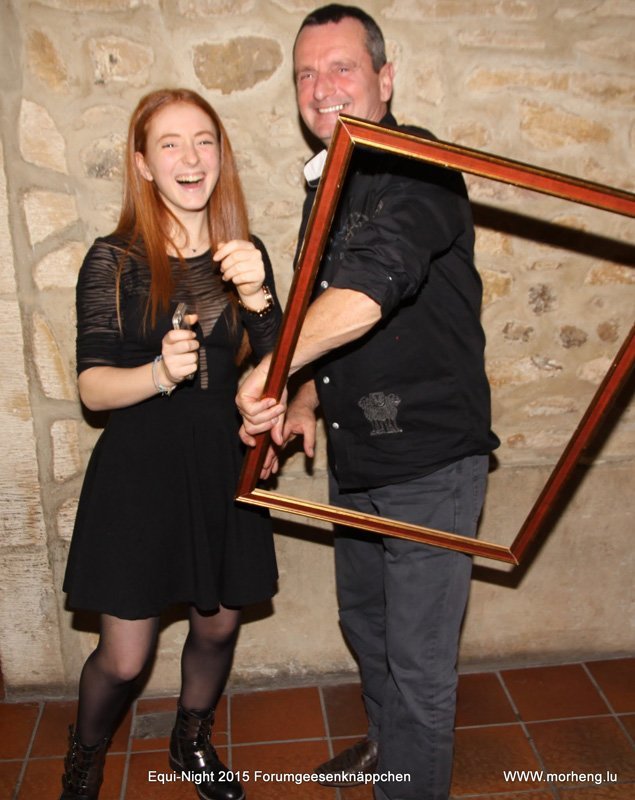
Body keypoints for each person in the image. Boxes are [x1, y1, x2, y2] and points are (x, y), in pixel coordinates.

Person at [236, 6, 500, 800]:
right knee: (367, 626)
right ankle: (389, 752)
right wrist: (304, 398)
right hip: (357, 455)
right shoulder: (330, 184)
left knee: (419, 668)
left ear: (384, 80)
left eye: (340, 67)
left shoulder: (417, 166)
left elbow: (368, 288)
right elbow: (327, 314)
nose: (320, 87)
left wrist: (270, 373)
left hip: (429, 464)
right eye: (305, 74)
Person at [61, 88, 281, 800]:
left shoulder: (245, 256)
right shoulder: (113, 259)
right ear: (143, 164)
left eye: (204, 140)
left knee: (216, 629)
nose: (191, 158)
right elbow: (92, 387)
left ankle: (191, 740)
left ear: (221, 154)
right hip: (140, 473)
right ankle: (84, 758)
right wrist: (157, 373)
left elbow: (280, 368)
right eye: (170, 143)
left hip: (222, 465)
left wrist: (260, 301)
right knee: (125, 659)